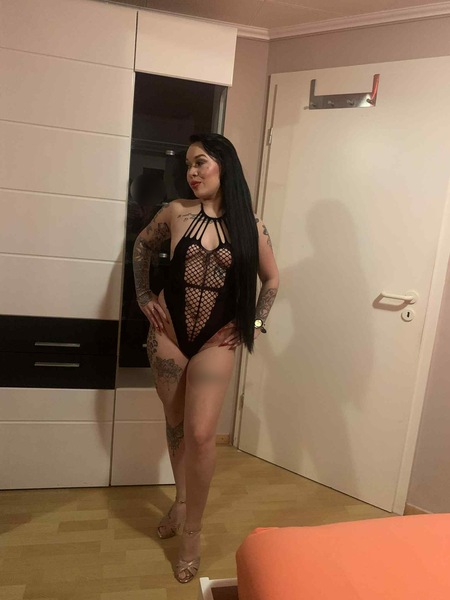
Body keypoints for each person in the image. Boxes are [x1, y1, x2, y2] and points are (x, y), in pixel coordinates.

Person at [133, 133, 279, 584]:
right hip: (167, 335)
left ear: (224, 164)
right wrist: (143, 295)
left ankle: (193, 533)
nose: (192, 172)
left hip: (217, 339)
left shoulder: (251, 226)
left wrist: (255, 324)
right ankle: (180, 502)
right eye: (188, 165)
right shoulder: (176, 212)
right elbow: (141, 246)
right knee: (176, 422)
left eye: (200, 163)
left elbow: (272, 280)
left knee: (200, 434)